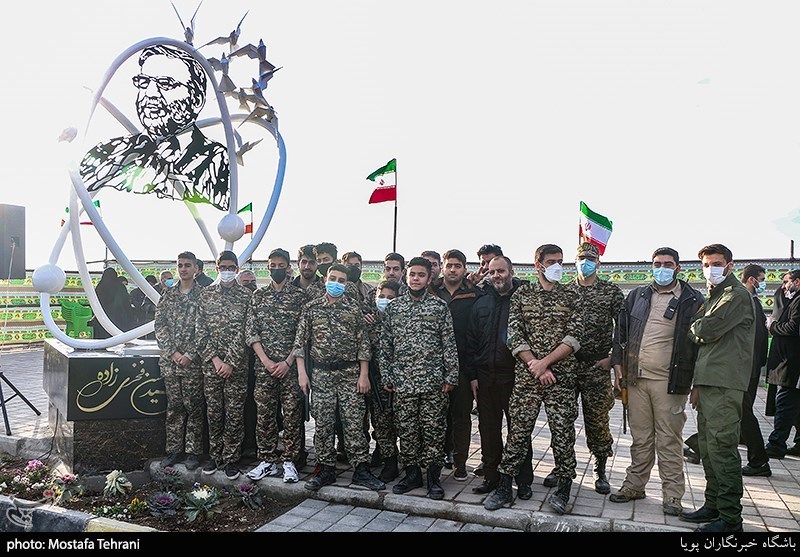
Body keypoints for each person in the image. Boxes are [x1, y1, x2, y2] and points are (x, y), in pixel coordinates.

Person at [484, 244, 582, 515]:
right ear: (538, 265)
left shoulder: (572, 295)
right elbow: (513, 335)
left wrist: (544, 363)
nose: (557, 266)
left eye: (560, 261)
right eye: (551, 262)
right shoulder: (522, 294)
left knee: (563, 433)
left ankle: (564, 488)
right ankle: (505, 486)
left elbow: (575, 336)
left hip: (560, 378)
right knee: (518, 432)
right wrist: (534, 365)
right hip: (528, 378)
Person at [608, 247, 704, 516]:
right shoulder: (637, 295)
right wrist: (618, 366)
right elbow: (621, 333)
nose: (662, 268)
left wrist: (697, 383)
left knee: (669, 440)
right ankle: (634, 485)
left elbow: (699, 345)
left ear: (678, 268)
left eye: (668, 264)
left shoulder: (692, 299)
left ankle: (672, 495)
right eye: (657, 264)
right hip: (636, 379)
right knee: (640, 438)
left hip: (670, 382)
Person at [79, 45, 230, 210]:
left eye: (165, 84)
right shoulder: (106, 151)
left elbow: (215, 214)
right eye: (143, 82)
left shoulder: (217, 160)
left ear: (196, 100)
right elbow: (74, 198)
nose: (150, 93)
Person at [681, 244, 755, 533]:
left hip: (725, 383)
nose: (711, 269)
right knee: (708, 449)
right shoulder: (716, 296)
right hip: (710, 382)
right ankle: (713, 505)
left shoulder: (736, 295)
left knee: (722, 448)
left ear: (730, 265)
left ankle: (730, 518)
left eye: (717, 263)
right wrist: (698, 384)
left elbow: (705, 329)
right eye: (706, 264)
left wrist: (695, 327)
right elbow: (706, 339)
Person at [295, 264, 385, 492]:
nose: (336, 283)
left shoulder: (354, 309)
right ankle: (326, 468)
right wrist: (302, 374)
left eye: (341, 280)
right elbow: (300, 343)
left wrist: (363, 375)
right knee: (323, 424)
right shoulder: (311, 308)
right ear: (325, 280)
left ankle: (361, 469)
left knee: (354, 423)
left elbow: (363, 344)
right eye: (333, 278)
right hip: (322, 375)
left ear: (347, 284)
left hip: (349, 375)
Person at [381, 257, 459, 500]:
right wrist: (387, 375)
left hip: (433, 383)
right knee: (407, 430)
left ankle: (433, 478)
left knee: (434, 430)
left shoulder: (439, 307)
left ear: (429, 278)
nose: (416, 279)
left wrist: (451, 375)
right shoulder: (394, 308)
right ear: (406, 276)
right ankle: (412, 475)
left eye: (421, 275)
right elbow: (386, 345)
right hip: (403, 383)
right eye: (412, 274)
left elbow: (449, 343)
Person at [466, 255, 533, 497]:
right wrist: (473, 376)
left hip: (515, 376)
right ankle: (492, 477)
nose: (496, 276)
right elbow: (471, 342)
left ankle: (523, 480)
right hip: (485, 377)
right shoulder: (481, 302)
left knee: (519, 429)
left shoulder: (524, 300)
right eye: (493, 272)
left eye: (501, 271)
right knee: (488, 429)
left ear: (511, 272)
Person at [560, 243, 624, 495]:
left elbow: (623, 329)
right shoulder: (564, 291)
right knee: (562, 418)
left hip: (597, 365)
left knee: (597, 420)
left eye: (590, 258)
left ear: (598, 263)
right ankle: (563, 466)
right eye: (581, 258)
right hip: (567, 364)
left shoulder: (610, 291)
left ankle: (600, 468)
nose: (585, 262)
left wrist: (612, 359)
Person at [245, 248, 307, 484]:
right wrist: (266, 361)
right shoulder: (258, 296)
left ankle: (290, 461)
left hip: (290, 369)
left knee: (292, 415)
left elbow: (302, 334)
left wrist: (288, 362)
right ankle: (267, 460)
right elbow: (251, 331)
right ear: (267, 267)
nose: (277, 269)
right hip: (265, 368)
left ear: (289, 267)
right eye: (273, 265)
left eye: (282, 265)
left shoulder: (299, 297)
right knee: (265, 415)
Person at [195, 250, 253, 480]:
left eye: (231, 268)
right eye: (223, 268)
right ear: (217, 268)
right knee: (214, 412)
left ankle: (231, 458)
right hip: (212, 366)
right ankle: (215, 455)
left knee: (234, 413)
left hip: (236, 367)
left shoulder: (247, 297)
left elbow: (246, 332)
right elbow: (200, 331)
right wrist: (216, 360)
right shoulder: (206, 295)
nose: (227, 271)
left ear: (236, 269)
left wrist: (230, 362)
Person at [430, 249, 482, 480]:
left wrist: (473, 371)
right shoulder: (430, 292)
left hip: (463, 365)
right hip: (431, 366)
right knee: (433, 416)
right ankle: (433, 460)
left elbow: (477, 334)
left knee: (461, 416)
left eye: (457, 266)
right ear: (442, 267)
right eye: (449, 265)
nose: (452, 270)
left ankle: (460, 463)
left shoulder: (474, 294)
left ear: (464, 269)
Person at [155, 251, 203, 471]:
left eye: (187, 265)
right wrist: (173, 353)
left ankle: (193, 452)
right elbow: (160, 325)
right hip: (171, 362)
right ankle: (174, 450)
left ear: (196, 269)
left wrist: (190, 354)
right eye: (180, 265)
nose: (183, 269)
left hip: (193, 363)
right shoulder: (168, 295)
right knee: (174, 406)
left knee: (194, 407)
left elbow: (205, 328)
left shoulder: (203, 296)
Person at [365, 280, 402, 482]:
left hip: (400, 381)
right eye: (381, 296)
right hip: (376, 382)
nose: (384, 301)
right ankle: (389, 461)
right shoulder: (369, 322)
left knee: (401, 423)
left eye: (390, 298)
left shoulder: (402, 322)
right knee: (380, 423)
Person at [737, 264, 771, 477]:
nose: (762, 283)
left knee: (742, 411)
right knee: (739, 411)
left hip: (745, 367)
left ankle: (759, 461)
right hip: (749, 365)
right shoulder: (749, 300)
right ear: (751, 279)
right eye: (761, 279)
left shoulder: (747, 301)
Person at [764, 269, 800, 461]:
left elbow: (793, 327)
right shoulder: (792, 300)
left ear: (797, 282)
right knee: (794, 405)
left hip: (792, 363)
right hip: (788, 362)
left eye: (786, 282)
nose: (784, 287)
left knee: (784, 404)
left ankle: (776, 444)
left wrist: (772, 326)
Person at [89, 267, 132, 338]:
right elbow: (126, 303)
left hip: (102, 318)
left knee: (102, 339)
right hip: (118, 319)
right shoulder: (120, 286)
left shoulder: (100, 287)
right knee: (117, 339)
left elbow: (95, 303)